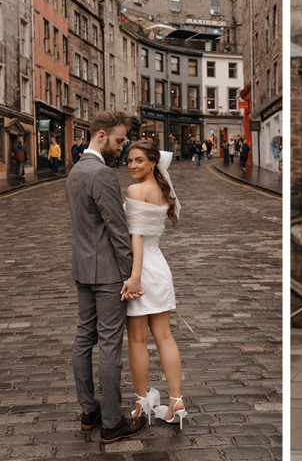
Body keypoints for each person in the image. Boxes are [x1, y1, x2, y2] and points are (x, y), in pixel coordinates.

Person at [65, 111, 148, 444]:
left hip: (82, 269)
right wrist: (132, 275)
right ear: (101, 136)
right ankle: (113, 423)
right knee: (110, 345)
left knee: (84, 337)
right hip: (108, 274)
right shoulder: (101, 175)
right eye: (117, 140)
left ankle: (90, 411)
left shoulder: (74, 172)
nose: (121, 146)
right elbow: (118, 231)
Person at [123, 140, 188, 429]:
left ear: (152, 162)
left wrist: (135, 277)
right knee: (164, 336)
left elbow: (136, 236)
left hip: (142, 268)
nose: (133, 166)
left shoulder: (136, 190)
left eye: (139, 160)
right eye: (129, 160)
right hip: (159, 266)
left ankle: (141, 403)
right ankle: (175, 400)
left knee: (137, 339)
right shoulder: (163, 190)